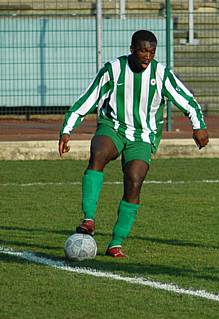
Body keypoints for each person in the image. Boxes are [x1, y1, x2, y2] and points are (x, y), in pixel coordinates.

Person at [58, 30, 209, 258]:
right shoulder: (114, 69)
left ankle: (116, 242)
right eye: (142, 50)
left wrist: (198, 126)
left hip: (143, 135)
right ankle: (88, 219)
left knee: (135, 180)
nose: (147, 56)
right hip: (113, 126)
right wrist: (67, 129)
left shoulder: (161, 74)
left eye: (151, 51)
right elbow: (89, 97)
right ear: (132, 49)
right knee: (98, 153)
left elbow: (187, 100)